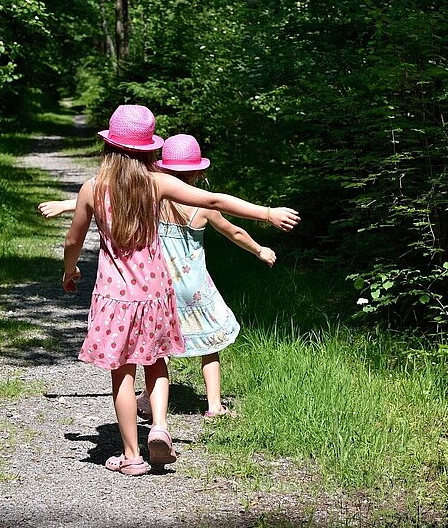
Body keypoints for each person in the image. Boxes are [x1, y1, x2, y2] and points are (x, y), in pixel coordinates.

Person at [57, 104, 300, 476]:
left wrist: (70, 270)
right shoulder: (157, 183)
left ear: (109, 147)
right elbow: (214, 201)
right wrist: (267, 212)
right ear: (150, 150)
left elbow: (73, 240)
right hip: (155, 291)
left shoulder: (92, 188)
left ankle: (131, 456)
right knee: (155, 362)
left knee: (122, 373)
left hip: (113, 296)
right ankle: (159, 427)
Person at [42, 133, 280, 421]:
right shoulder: (177, 197)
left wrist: (68, 206)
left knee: (145, 355)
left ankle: (141, 421)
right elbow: (230, 224)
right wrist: (264, 231)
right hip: (182, 288)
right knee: (207, 347)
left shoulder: (141, 193)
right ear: (199, 171)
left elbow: (108, 196)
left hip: (140, 287)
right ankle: (206, 407)